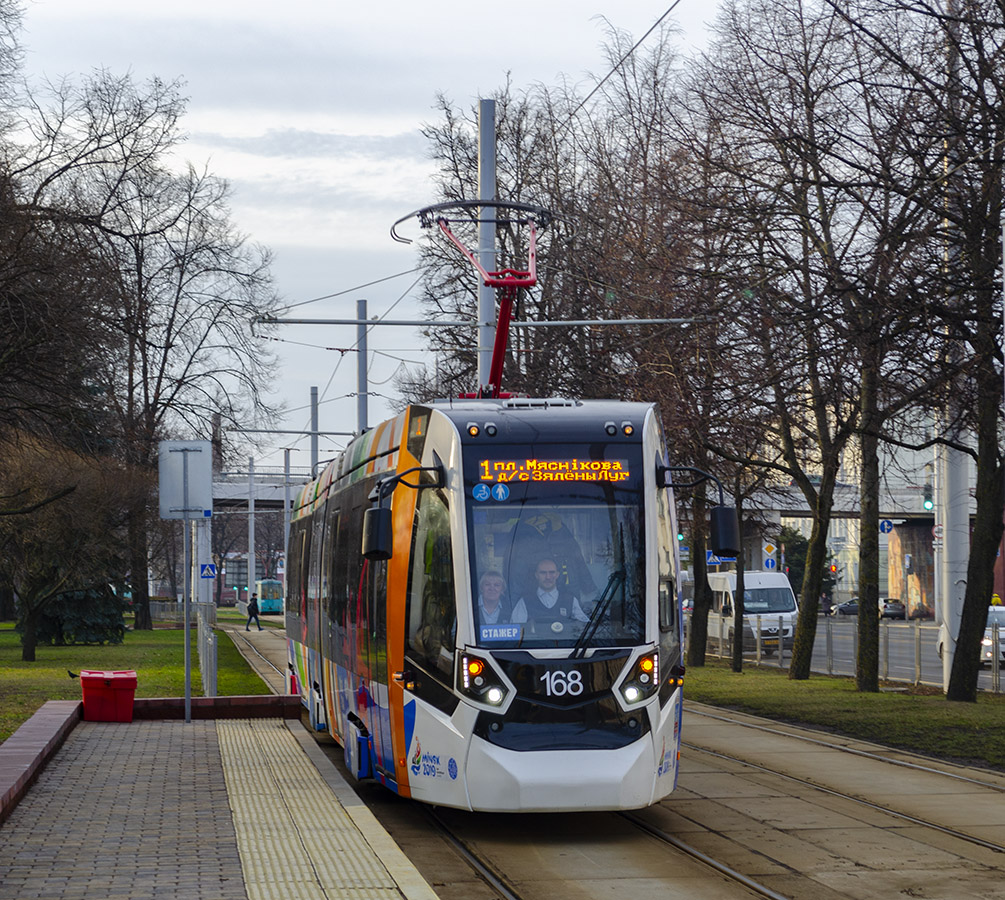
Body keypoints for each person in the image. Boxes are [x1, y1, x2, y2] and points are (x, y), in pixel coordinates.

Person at [511, 558, 590, 635]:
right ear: (536, 575)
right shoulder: (525, 601)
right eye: (543, 573)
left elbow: (586, 627)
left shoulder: (570, 600)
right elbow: (515, 630)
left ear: (557, 574)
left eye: (552, 572)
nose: (548, 577)